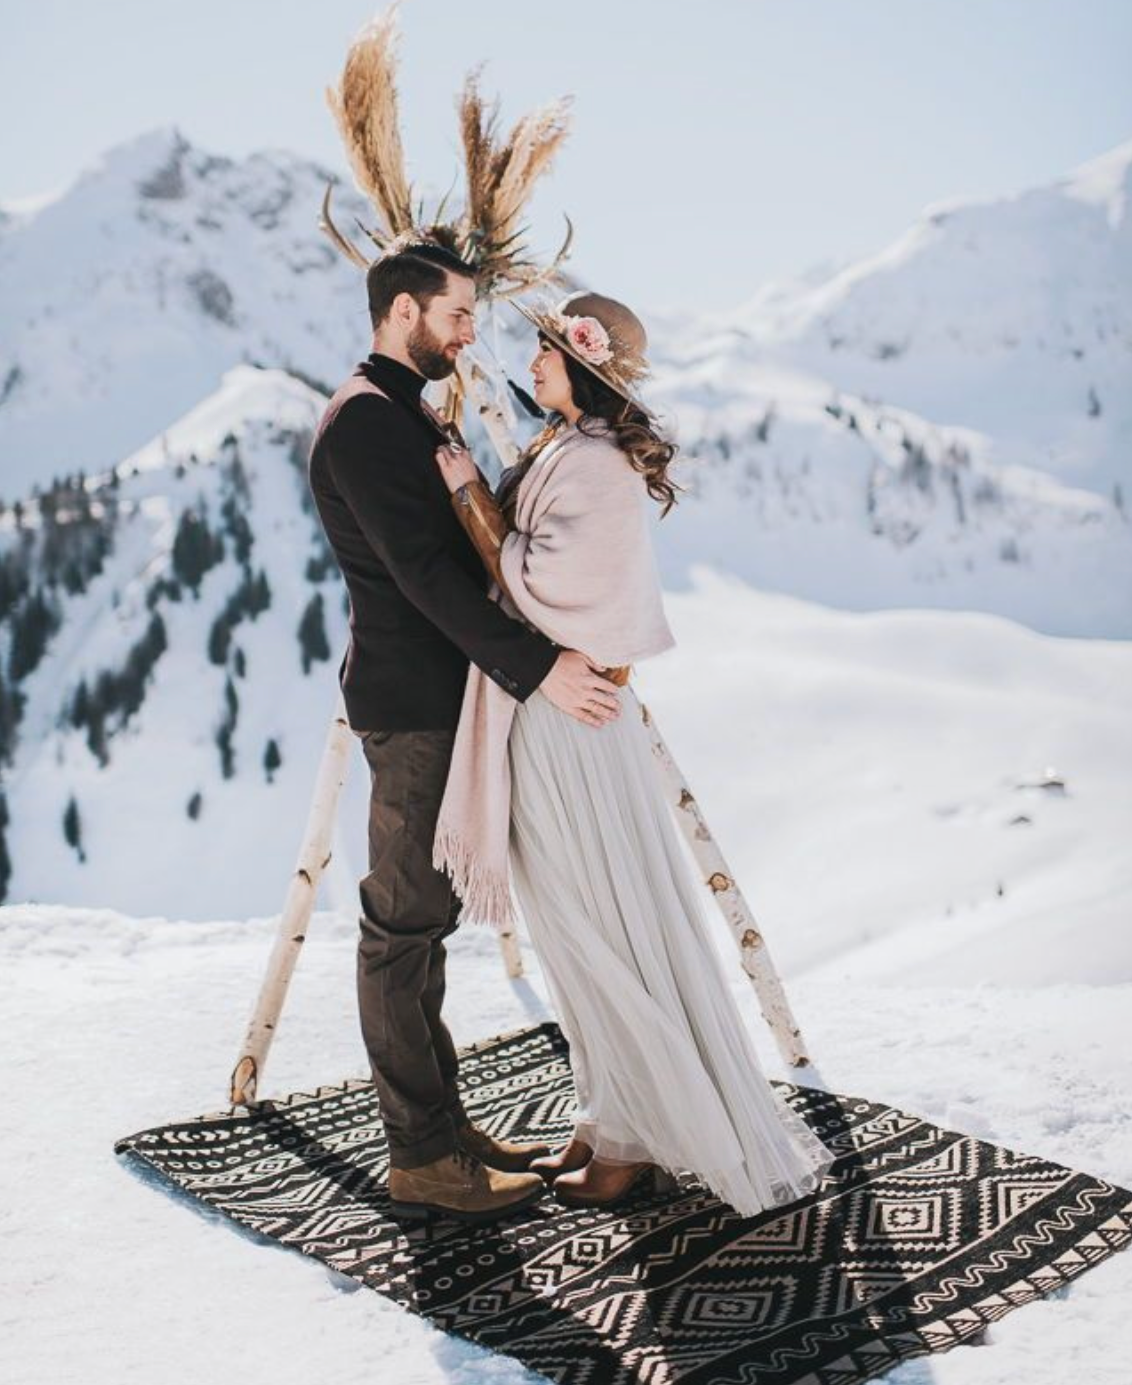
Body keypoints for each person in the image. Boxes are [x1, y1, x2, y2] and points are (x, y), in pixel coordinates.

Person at [433, 289, 836, 1215]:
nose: (532, 364)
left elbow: (537, 588)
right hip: (548, 712)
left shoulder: (599, 469)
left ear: (583, 365)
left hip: (565, 725)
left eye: (545, 351)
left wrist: (463, 492)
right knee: (575, 924)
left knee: (593, 922)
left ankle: (643, 1134)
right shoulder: (566, 450)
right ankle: (618, 1116)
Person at [308, 238, 626, 1223]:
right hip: (413, 708)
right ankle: (421, 1161)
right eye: (455, 315)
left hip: (442, 700)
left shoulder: (401, 411)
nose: (468, 332)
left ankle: (442, 1131)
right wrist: (540, 670)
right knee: (400, 929)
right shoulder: (366, 424)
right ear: (403, 311)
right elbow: (426, 578)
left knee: (425, 927)